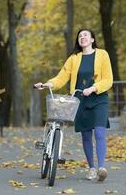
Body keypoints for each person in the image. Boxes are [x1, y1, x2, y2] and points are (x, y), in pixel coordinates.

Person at [34, 28, 113, 182]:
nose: (82, 37)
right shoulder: (73, 58)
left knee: (99, 132)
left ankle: (101, 168)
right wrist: (47, 84)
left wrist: (93, 88)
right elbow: (61, 78)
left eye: (85, 35)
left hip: (99, 98)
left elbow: (108, 79)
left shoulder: (102, 54)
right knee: (86, 135)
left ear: (92, 40)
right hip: (80, 99)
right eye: (79, 36)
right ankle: (91, 168)